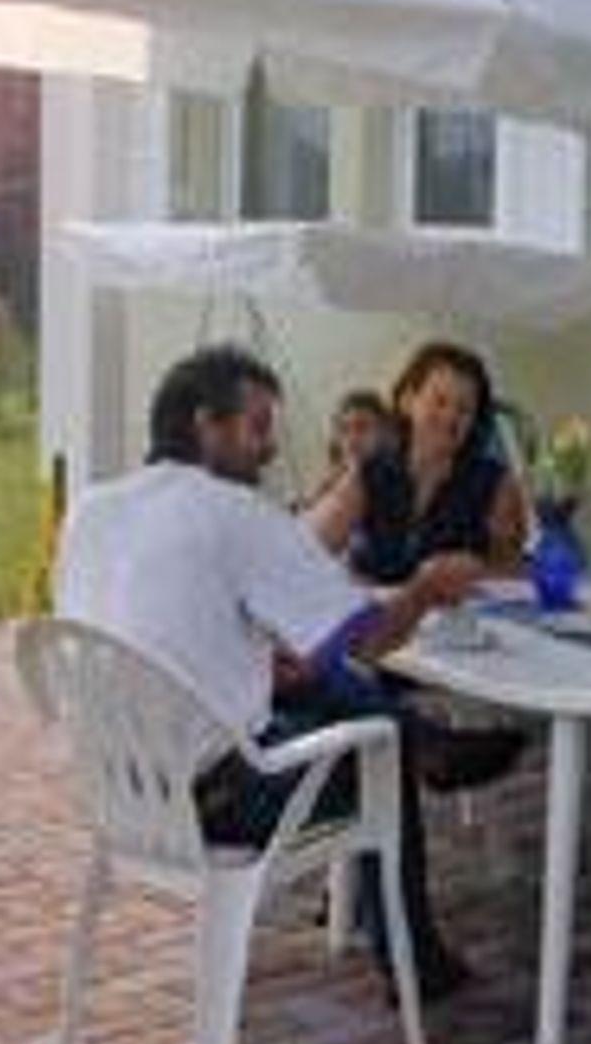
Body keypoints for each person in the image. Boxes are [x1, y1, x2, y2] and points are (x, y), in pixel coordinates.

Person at [54, 344, 484, 1000]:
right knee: (381, 748)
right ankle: (415, 962)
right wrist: (426, 589)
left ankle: (424, 745)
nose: (271, 448)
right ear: (206, 425)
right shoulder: (235, 512)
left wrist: (261, 664)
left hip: (117, 788)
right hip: (218, 803)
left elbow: (146, 638)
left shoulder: (91, 509)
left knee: (320, 687)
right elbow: (369, 641)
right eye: (258, 428)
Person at [307, 341, 528, 584]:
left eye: (464, 409)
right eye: (439, 401)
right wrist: (345, 579)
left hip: (460, 607)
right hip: (376, 605)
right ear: (407, 401)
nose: (450, 416)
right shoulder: (369, 473)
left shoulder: (498, 483)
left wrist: (478, 571)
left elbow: (513, 572)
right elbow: (308, 550)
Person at [306, 389, 394, 508]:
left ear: (383, 431)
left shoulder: (388, 479)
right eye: (344, 429)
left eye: (362, 427)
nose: (352, 438)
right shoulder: (335, 478)